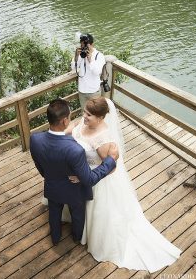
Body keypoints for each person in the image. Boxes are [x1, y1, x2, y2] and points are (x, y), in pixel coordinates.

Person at [66, 97, 181, 273]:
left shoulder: (103, 140)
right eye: (85, 112)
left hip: (95, 181)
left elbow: (110, 169)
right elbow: (76, 130)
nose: (84, 116)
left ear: (101, 118)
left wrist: (83, 177)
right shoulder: (85, 121)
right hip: (78, 172)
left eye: (89, 115)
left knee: (98, 211)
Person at [29, 99, 118, 246]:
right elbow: (89, 180)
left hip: (52, 186)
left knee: (54, 212)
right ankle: (77, 237)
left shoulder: (35, 139)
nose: (81, 117)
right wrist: (112, 159)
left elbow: (40, 166)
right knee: (77, 214)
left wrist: (50, 176)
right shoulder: (75, 150)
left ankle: (55, 238)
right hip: (74, 190)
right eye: (70, 117)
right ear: (64, 121)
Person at [71, 33, 105, 110]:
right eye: (82, 45)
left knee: (95, 114)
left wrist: (90, 60)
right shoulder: (81, 54)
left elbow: (97, 72)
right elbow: (73, 68)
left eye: (86, 46)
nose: (84, 47)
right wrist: (76, 56)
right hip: (82, 90)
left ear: (92, 44)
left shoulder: (99, 56)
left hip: (93, 91)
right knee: (84, 113)